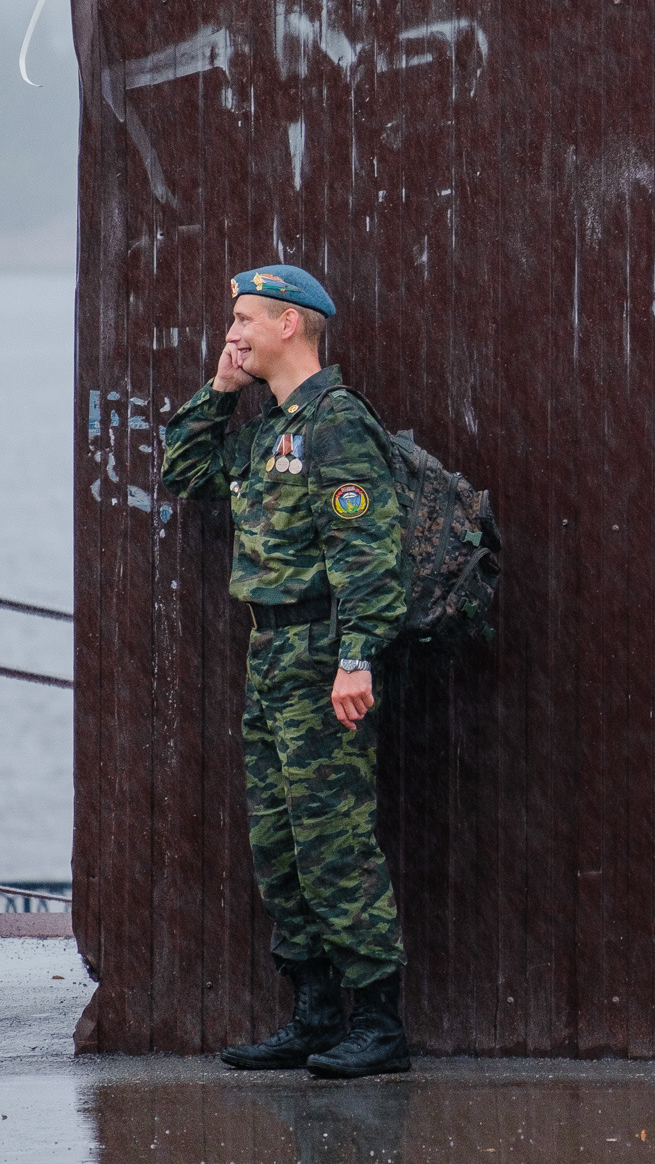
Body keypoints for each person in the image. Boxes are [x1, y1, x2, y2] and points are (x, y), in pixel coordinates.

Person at [160, 265, 412, 1079]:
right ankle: (311, 1014)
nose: (232, 333)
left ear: (289, 326)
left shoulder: (337, 425)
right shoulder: (267, 427)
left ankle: (377, 1024)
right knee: (280, 842)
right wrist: (219, 387)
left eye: (243, 321)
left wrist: (355, 658)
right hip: (269, 655)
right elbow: (182, 476)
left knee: (335, 840)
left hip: (321, 655)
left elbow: (369, 557)